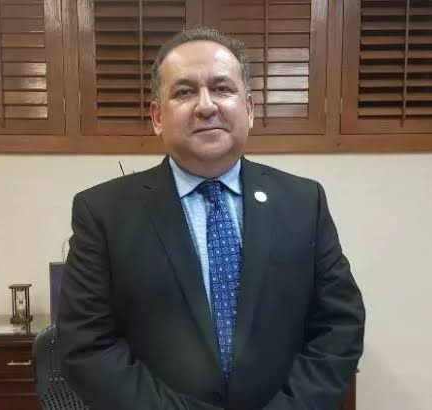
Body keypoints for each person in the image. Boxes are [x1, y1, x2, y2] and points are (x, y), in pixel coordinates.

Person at [57, 26, 365, 410]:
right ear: (157, 116)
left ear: (249, 109)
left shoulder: (304, 202)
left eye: (222, 88)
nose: (206, 106)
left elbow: (339, 325)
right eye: (184, 92)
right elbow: (86, 345)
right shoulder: (103, 212)